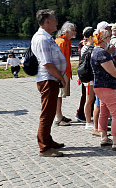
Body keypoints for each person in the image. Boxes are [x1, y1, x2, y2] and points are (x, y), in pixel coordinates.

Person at [31, 9, 67, 157]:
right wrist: (61, 77)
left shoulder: (47, 37)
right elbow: (47, 64)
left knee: (51, 112)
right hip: (48, 79)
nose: (57, 23)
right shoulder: (42, 38)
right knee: (46, 114)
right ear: (47, 21)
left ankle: (48, 140)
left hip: (50, 79)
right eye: (54, 20)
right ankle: (44, 147)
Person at [91, 28, 116, 150]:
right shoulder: (102, 53)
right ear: (103, 39)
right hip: (107, 87)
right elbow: (112, 71)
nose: (110, 39)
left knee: (104, 111)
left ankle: (104, 137)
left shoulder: (96, 51)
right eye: (108, 37)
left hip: (100, 87)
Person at [54, 21, 77, 126]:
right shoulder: (61, 42)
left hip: (64, 72)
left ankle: (59, 114)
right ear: (66, 31)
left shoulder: (66, 41)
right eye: (72, 30)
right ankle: (58, 117)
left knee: (60, 95)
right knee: (58, 95)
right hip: (61, 72)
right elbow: (59, 60)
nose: (74, 32)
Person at [79, 27, 95, 130]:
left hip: (92, 76)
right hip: (89, 76)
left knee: (92, 99)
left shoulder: (90, 46)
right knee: (89, 99)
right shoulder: (86, 47)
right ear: (89, 37)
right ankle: (88, 121)